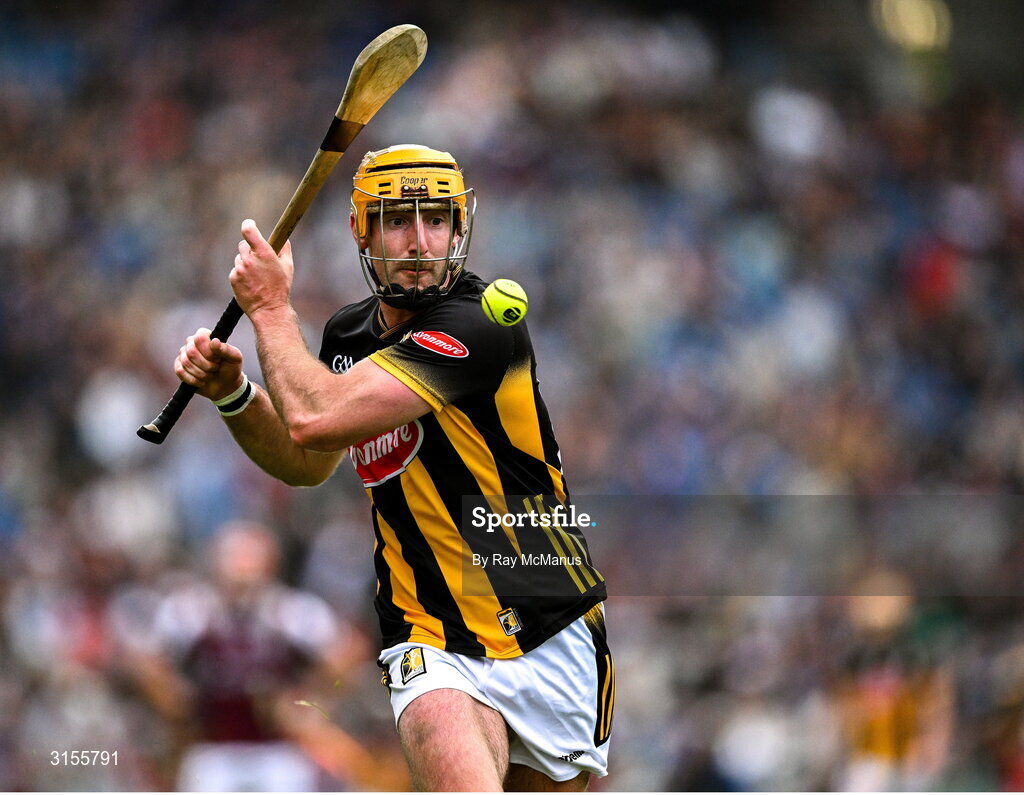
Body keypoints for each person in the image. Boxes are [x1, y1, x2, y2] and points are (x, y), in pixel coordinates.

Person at [172, 144, 612, 791]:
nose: (418, 241)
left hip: (549, 622)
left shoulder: (483, 321)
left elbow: (315, 417)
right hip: (426, 630)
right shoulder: (349, 337)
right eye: (396, 220)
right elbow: (304, 459)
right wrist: (237, 398)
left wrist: (269, 310)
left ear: (460, 229)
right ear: (361, 230)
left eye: (436, 219)